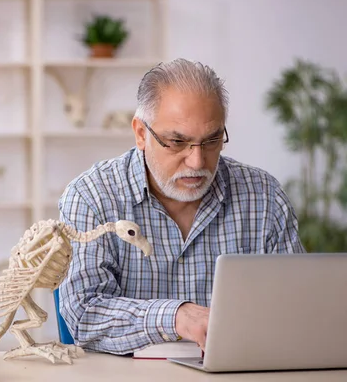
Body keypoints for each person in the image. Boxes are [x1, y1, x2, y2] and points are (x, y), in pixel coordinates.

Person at [57, 58, 307, 356]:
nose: (197, 162)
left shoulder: (264, 196)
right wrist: (175, 317)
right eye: (176, 142)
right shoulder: (91, 196)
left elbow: (296, 309)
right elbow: (84, 315)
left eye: (212, 140)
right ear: (140, 133)